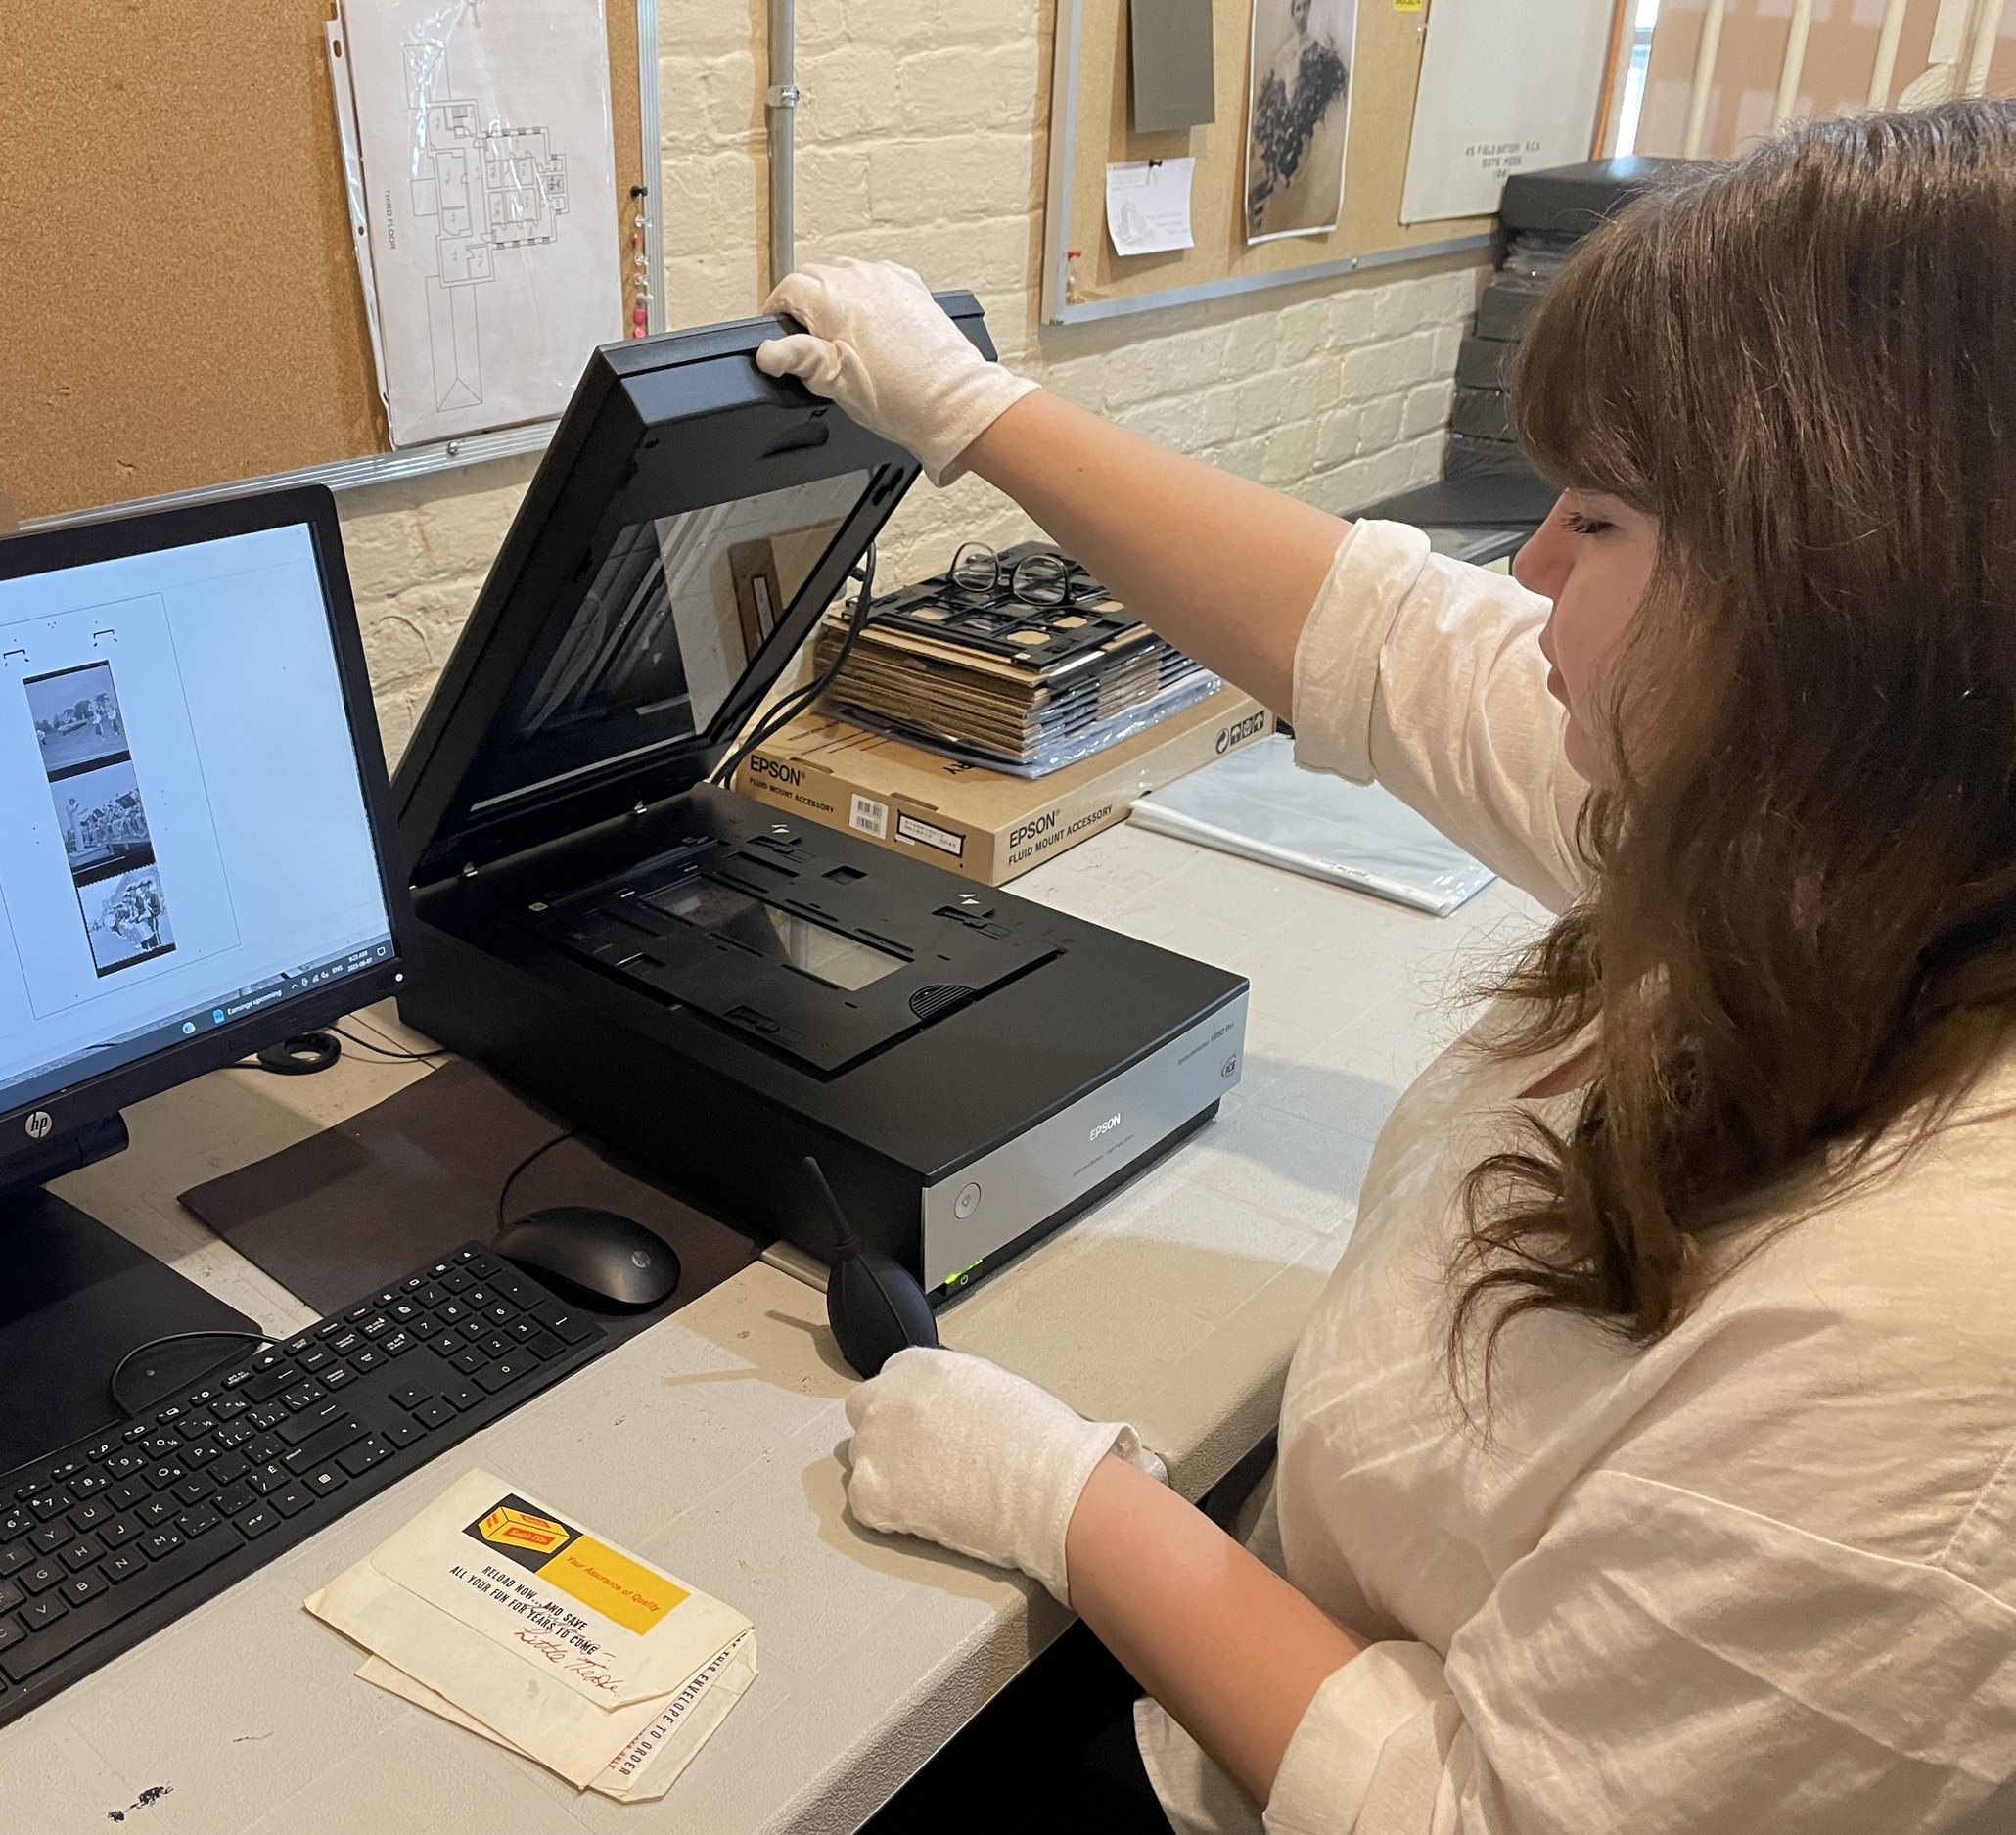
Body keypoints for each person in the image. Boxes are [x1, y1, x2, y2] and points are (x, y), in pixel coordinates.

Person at [758, 101, 2016, 1834]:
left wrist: (1071, 1504)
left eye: (1602, 519)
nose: (1532, 570)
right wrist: (974, 414)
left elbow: (1482, 1813)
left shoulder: (1942, 1334)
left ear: (1846, 611)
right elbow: (1395, 638)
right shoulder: (1860, 836)